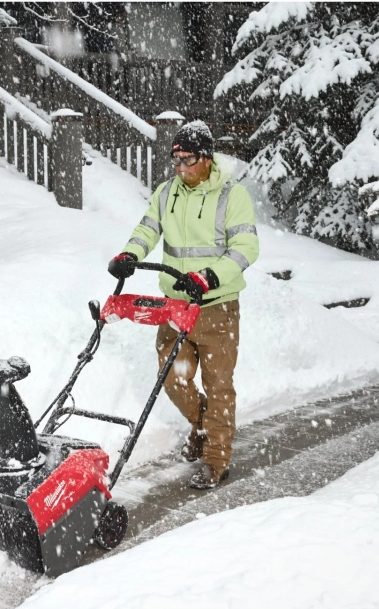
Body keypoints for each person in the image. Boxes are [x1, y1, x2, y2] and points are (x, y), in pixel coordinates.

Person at [107, 120, 259, 490]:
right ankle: (204, 426)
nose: (180, 168)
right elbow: (147, 229)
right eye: (175, 160)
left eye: (187, 160)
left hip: (216, 307)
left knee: (218, 385)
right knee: (173, 379)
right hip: (175, 306)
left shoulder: (231, 195)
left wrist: (208, 276)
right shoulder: (167, 192)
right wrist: (130, 253)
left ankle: (216, 459)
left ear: (206, 158)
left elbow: (246, 248)